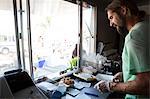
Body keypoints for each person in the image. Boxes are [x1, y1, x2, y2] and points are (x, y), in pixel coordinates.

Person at [94, 0, 150, 99]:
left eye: (111, 17)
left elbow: (145, 84)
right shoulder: (146, 27)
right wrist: (125, 74)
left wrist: (110, 86)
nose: (111, 24)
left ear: (123, 10)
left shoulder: (134, 36)